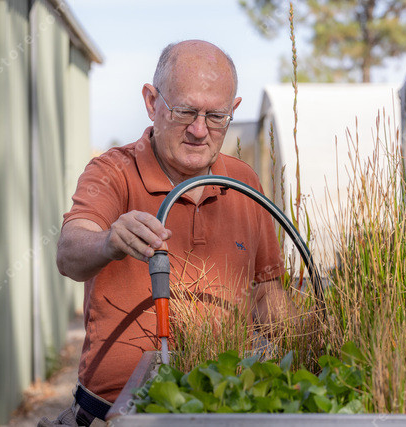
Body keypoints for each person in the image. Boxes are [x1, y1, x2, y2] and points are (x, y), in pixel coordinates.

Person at [42, 40, 295, 426]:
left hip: (221, 410)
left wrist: (319, 335)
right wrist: (109, 241)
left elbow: (265, 294)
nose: (199, 130)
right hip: (113, 416)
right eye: (185, 111)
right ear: (151, 101)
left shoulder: (244, 181)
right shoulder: (113, 172)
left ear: (233, 110)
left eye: (216, 116)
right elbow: (70, 253)